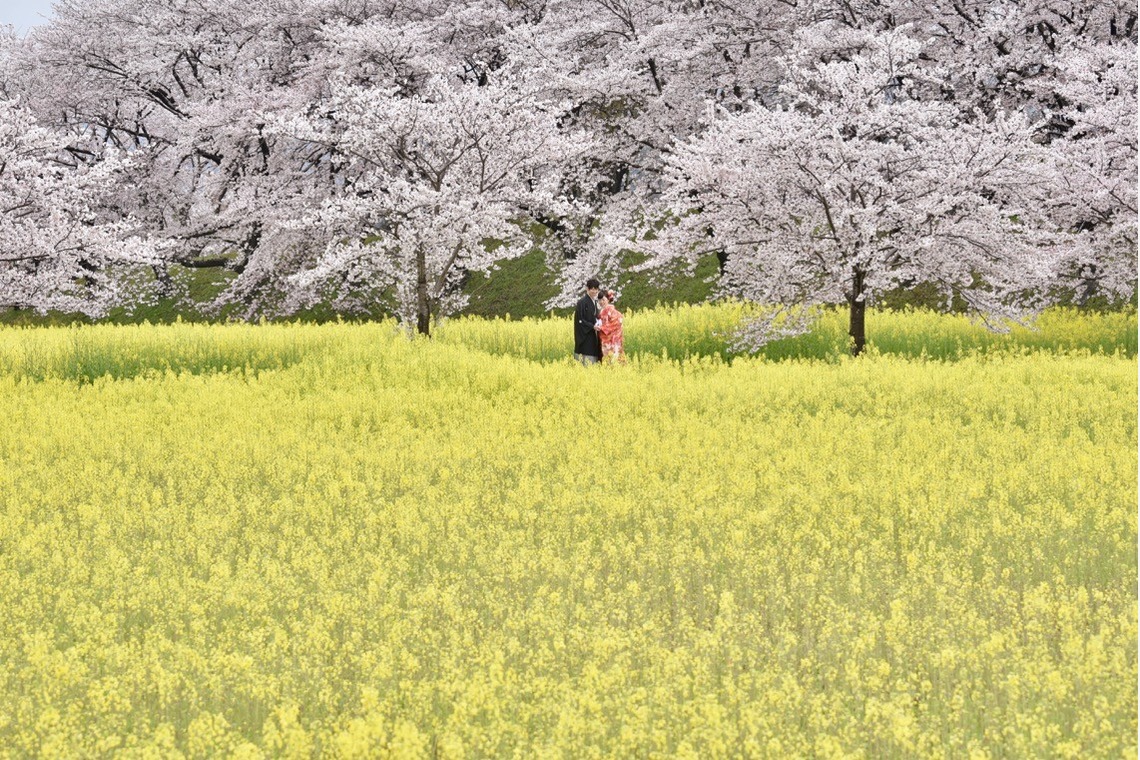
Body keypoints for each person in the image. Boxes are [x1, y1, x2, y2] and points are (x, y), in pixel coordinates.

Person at [574, 278, 603, 364]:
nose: (594, 291)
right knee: (586, 361)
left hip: (592, 336)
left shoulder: (594, 302)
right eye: (592, 289)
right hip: (584, 338)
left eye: (596, 289)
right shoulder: (582, 302)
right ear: (587, 289)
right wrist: (592, 326)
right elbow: (580, 320)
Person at [597, 289, 626, 363]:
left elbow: (615, 324)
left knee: (615, 362)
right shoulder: (602, 312)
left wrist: (601, 328)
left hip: (613, 342)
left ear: (608, 299)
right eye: (599, 300)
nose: (601, 302)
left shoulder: (612, 311)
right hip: (605, 342)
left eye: (603, 299)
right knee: (607, 362)